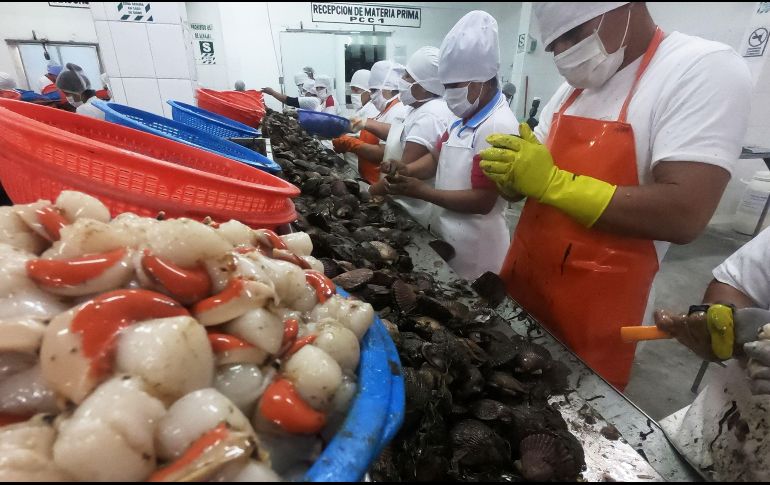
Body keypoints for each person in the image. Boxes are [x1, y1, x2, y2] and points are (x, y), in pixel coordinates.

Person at [478, 2, 752, 389]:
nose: (563, 54)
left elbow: (684, 213)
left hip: (596, 312)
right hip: (525, 285)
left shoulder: (701, 68)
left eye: (573, 35)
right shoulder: (573, 89)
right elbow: (531, 173)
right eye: (554, 45)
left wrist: (554, 183)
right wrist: (512, 178)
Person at [382, 11, 516, 280]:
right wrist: (407, 170)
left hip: (476, 252)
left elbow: (483, 200)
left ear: (480, 82)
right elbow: (436, 157)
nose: (448, 93)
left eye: (454, 85)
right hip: (449, 237)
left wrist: (424, 192)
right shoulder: (461, 120)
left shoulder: (497, 126)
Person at [367, 46, 456, 228]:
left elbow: (400, 176)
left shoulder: (430, 114)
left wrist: (370, 190)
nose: (401, 80)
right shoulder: (417, 108)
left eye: (408, 76)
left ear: (425, 86)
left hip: (410, 211)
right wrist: (362, 123)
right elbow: (399, 133)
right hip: (400, 202)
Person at [332, 60, 410, 184]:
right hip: (368, 178)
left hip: (379, 183)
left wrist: (350, 144)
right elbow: (372, 138)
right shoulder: (383, 111)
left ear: (389, 89)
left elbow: (382, 153)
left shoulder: (398, 111)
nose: (371, 95)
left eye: (374, 90)